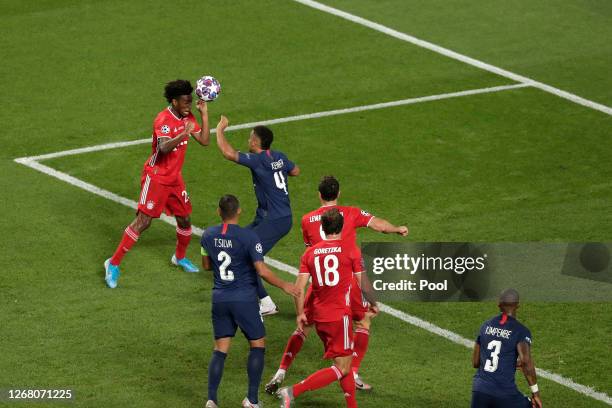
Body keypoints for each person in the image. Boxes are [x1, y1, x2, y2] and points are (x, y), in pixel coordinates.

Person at [266, 175, 408, 392]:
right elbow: (378, 225)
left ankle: (281, 371)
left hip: (319, 283)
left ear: (319, 195)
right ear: (338, 194)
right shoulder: (350, 213)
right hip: (346, 281)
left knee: (303, 326)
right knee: (363, 322)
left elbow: (310, 250)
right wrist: (397, 228)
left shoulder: (307, 220)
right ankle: (353, 371)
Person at [104, 79, 210, 288]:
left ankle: (179, 257)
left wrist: (204, 114)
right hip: (157, 177)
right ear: (174, 101)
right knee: (143, 222)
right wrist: (183, 133)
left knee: (185, 219)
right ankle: (113, 264)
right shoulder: (163, 119)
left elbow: (205, 141)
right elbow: (162, 149)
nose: (189, 106)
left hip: (174, 179)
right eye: (185, 102)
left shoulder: (188, 116)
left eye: (190, 101)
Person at [201, 195, 299, 408]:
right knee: (257, 345)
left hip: (219, 299)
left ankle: (211, 400)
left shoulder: (207, 235)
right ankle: (252, 400)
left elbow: (207, 265)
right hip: (244, 299)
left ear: (219, 212)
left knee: (220, 349)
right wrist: (285, 285)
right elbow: (261, 270)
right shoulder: (249, 237)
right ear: (239, 211)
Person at [277, 208, 363, 408]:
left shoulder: (310, 253)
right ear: (342, 226)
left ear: (322, 228)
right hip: (338, 316)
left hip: (319, 316)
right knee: (342, 368)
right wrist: (374, 303)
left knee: (344, 363)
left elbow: (299, 289)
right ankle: (292, 391)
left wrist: (300, 314)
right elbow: (362, 282)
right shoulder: (350, 249)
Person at [215, 115, 300, 315]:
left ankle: (266, 303)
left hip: (274, 221)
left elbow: (228, 153)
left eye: (250, 137)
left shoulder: (257, 160)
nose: (248, 139)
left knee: (247, 258)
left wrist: (220, 129)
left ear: (255, 142)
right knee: (237, 245)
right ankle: (261, 299)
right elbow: (296, 171)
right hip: (270, 217)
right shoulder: (278, 156)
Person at [471, 289, 543, 408]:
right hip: (504, 393)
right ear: (517, 306)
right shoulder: (520, 331)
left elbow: (475, 362)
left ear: (499, 305)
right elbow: (526, 362)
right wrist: (536, 393)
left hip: (480, 390)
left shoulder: (485, 325)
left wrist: (506, 362)